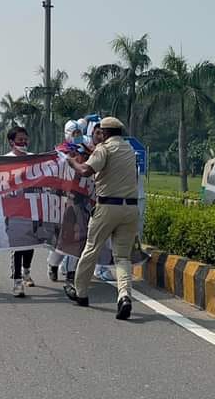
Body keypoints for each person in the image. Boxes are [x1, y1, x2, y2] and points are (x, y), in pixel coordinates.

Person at [64, 116, 139, 321]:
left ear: (105, 133)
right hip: (130, 209)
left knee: (91, 248)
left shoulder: (104, 149)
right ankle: (124, 296)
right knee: (122, 257)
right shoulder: (129, 150)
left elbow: (86, 170)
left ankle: (81, 293)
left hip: (107, 207)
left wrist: (70, 161)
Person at [48, 119, 84, 283]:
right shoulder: (59, 151)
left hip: (79, 198)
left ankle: (71, 272)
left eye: (79, 133)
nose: (77, 136)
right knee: (63, 238)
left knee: (77, 236)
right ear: (67, 134)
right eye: (74, 133)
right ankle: (53, 265)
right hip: (61, 199)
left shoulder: (83, 150)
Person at [6, 126, 35, 297]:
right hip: (14, 209)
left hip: (31, 207)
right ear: (11, 142)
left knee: (30, 242)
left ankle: (26, 272)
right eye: (20, 139)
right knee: (18, 245)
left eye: (25, 139)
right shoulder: (4, 161)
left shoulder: (34, 159)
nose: (23, 142)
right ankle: (17, 281)